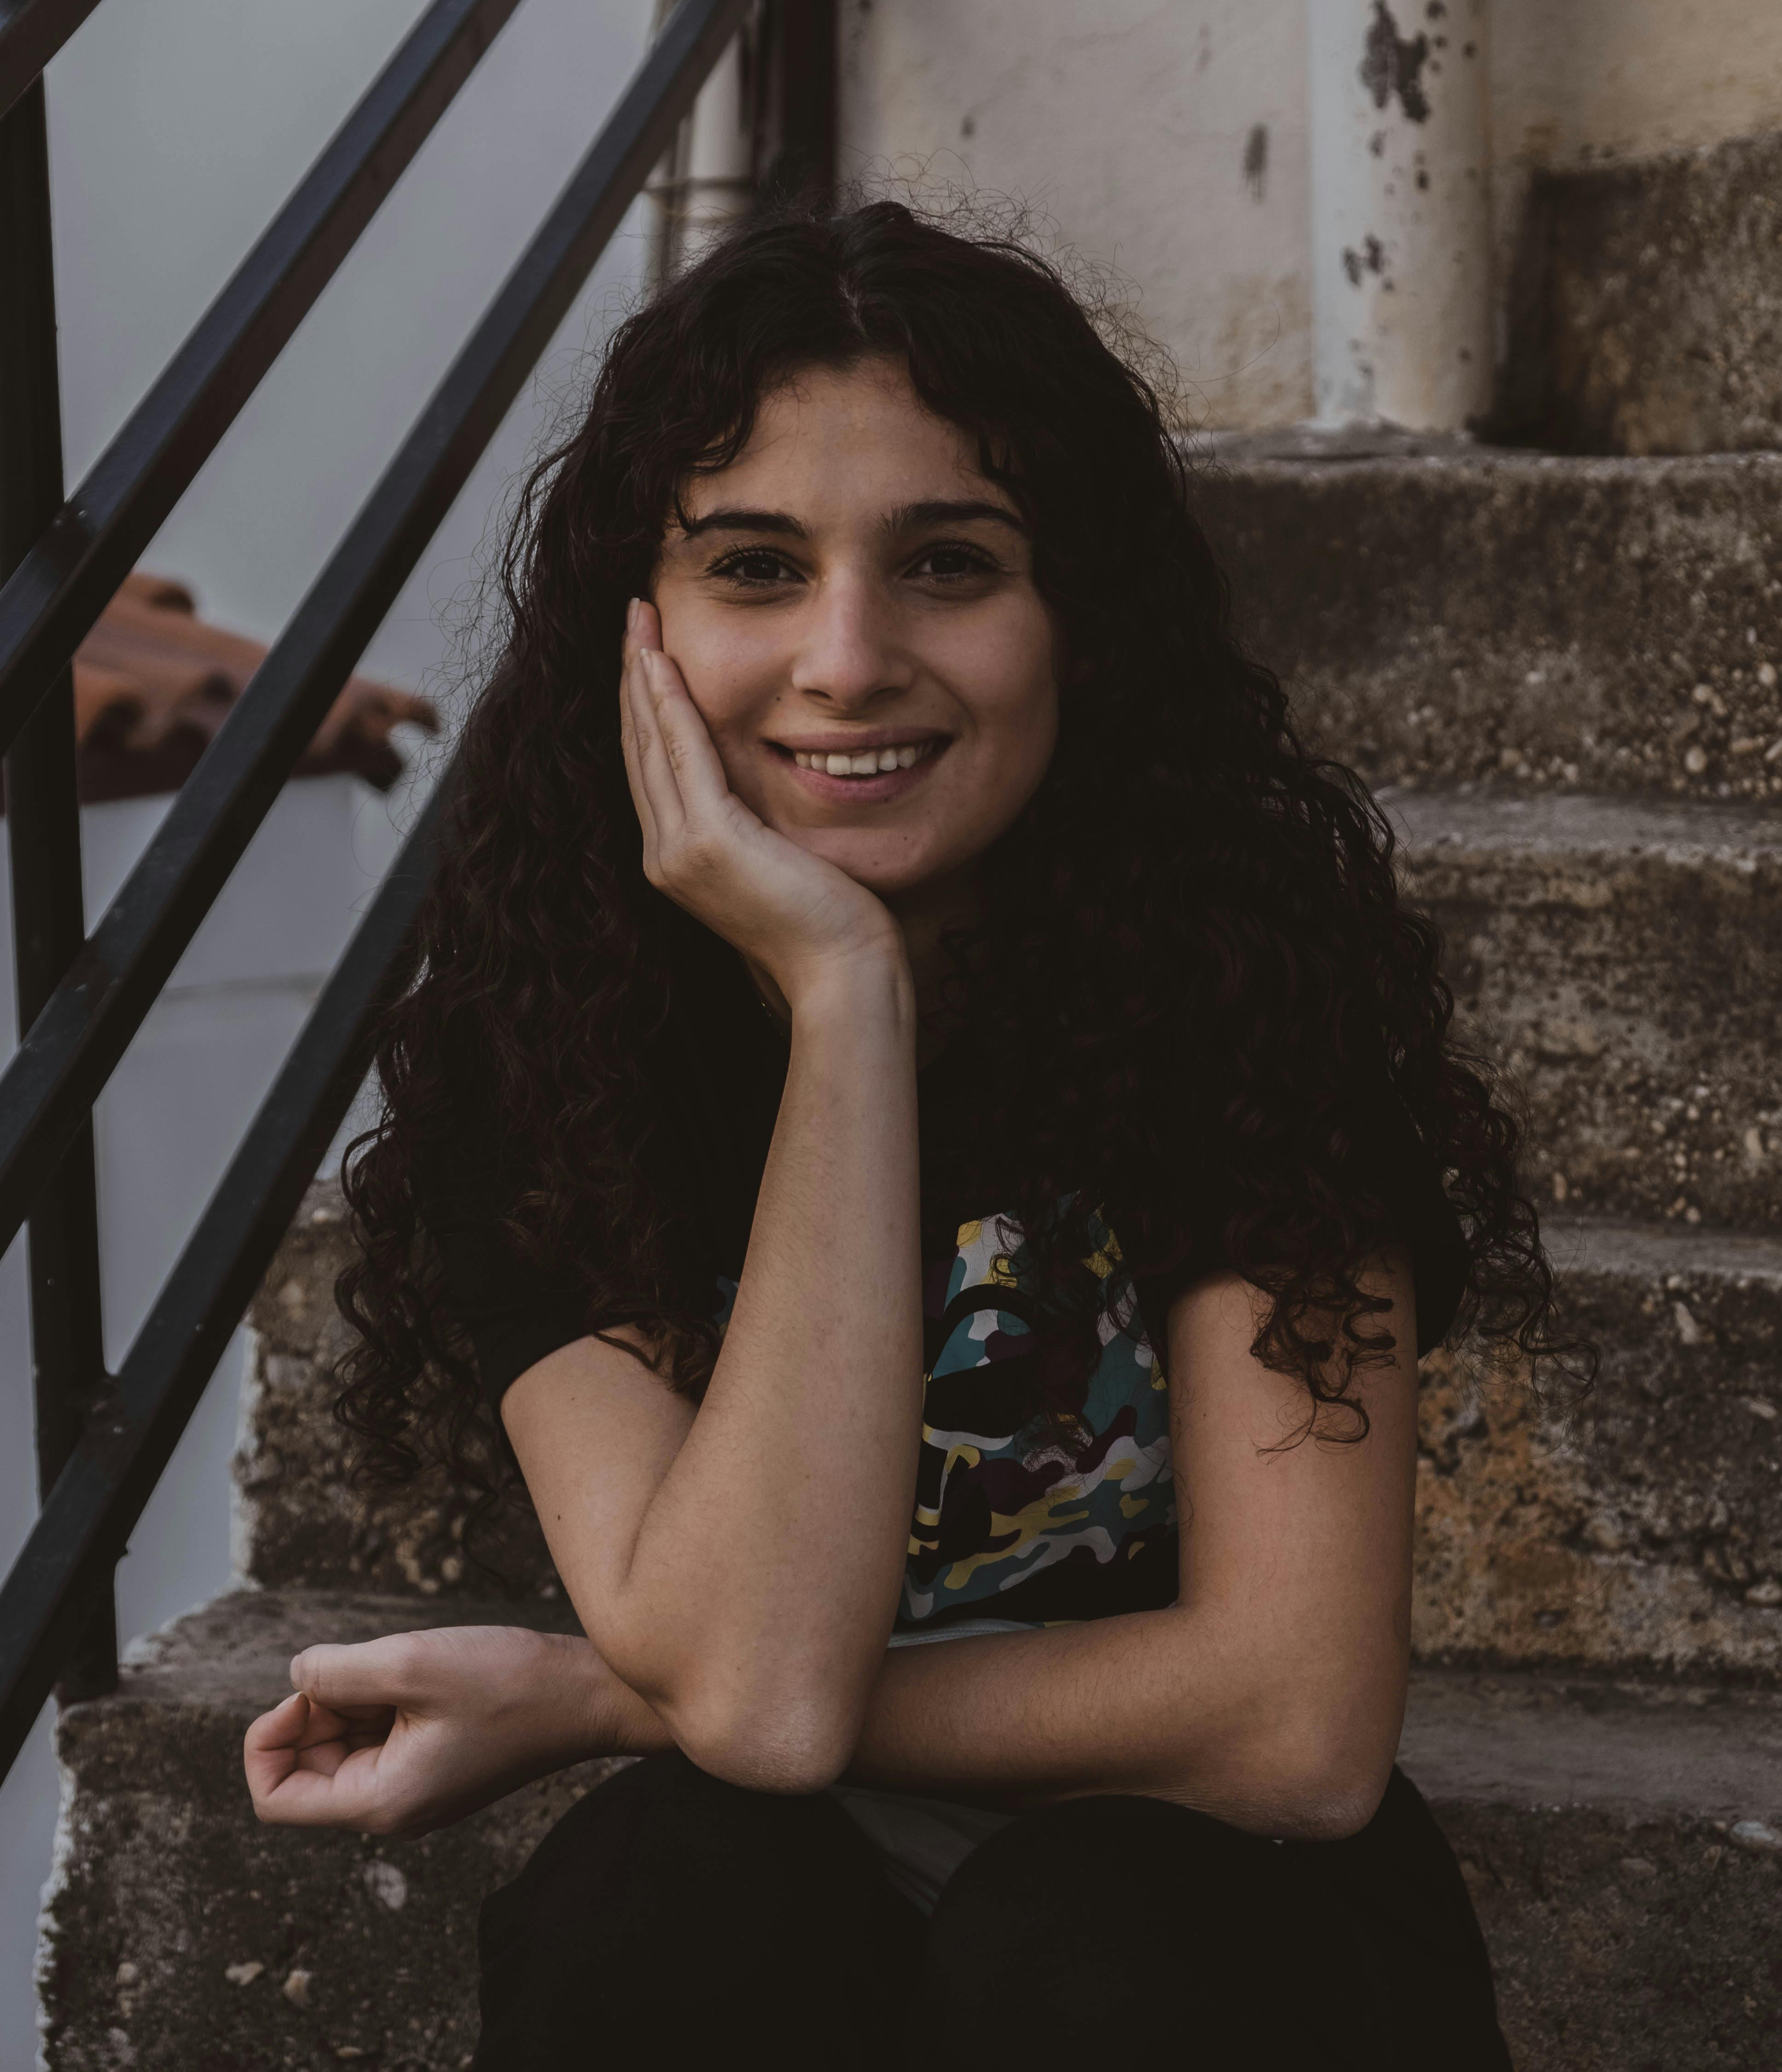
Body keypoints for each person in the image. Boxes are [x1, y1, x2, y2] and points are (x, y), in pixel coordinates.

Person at [243, 202, 1549, 2069]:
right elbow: (758, 1710)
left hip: (1208, 1926)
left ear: (1073, 623)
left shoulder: (1241, 1003)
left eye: (947, 564)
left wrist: (604, 1699)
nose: (847, 659)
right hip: (787, 1893)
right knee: (658, 1906)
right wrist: (844, 1003)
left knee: (1081, 1940)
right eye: (755, 569)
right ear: (641, 634)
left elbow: (1292, 1722)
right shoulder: (546, 1060)